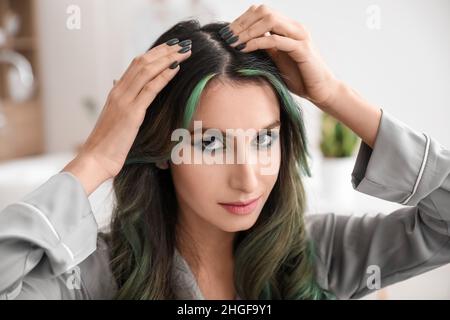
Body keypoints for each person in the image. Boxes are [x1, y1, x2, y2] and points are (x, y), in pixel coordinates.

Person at [0, 5, 449, 300]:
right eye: (210, 144)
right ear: (162, 150)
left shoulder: (321, 254)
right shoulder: (97, 277)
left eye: (264, 139)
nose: (248, 178)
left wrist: (334, 95)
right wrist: (95, 159)